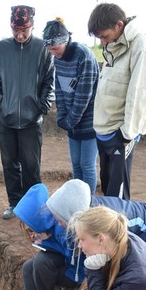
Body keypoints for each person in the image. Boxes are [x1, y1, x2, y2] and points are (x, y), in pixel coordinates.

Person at [0, 5, 55, 220]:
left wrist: (40, 107)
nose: (19, 34)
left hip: (31, 121)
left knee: (31, 166)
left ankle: (34, 209)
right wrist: (1, 104)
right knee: (9, 165)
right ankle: (15, 204)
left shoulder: (42, 49)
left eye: (24, 29)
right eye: (16, 29)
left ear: (32, 26)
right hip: (5, 120)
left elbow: (49, 81)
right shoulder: (1, 49)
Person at [87, 3, 146, 200]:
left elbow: (140, 92)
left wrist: (126, 134)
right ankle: (107, 231)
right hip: (104, 131)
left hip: (120, 134)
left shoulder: (140, 46)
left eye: (104, 36)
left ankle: (120, 232)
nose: (102, 42)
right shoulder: (113, 45)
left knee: (117, 198)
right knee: (108, 188)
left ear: (119, 25)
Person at [46, 178, 146, 275]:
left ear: (72, 213)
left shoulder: (111, 225)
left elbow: (122, 265)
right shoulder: (88, 213)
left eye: (61, 219)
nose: (60, 224)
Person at [12, 183, 85, 290]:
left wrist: (48, 242)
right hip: (66, 262)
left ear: (40, 221)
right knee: (28, 267)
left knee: (40, 262)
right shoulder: (48, 227)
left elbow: (75, 262)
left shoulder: (63, 230)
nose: (31, 234)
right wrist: (46, 241)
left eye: (32, 229)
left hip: (78, 273)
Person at [43, 17, 99, 194]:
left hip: (89, 121)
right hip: (71, 122)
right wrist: (61, 115)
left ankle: (88, 204)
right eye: (50, 49)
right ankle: (77, 201)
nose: (53, 52)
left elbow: (84, 95)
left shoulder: (84, 56)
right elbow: (58, 87)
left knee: (87, 165)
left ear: (65, 40)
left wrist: (70, 120)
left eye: (55, 48)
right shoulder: (57, 59)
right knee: (76, 165)